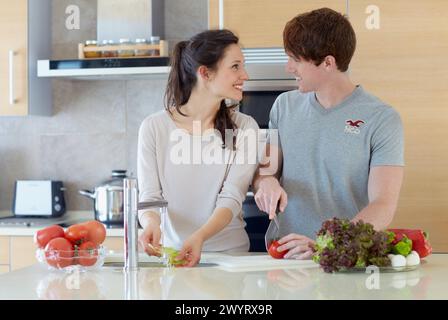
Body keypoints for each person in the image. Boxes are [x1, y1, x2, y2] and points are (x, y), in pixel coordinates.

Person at [252, 8, 404, 259]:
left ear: (328, 63)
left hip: (343, 259)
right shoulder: (284, 106)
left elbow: (382, 205)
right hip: (286, 255)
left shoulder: (382, 118)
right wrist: (266, 181)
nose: (289, 67)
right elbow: (267, 170)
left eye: (296, 59)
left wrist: (327, 245)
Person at [137, 29, 259, 267]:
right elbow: (150, 196)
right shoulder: (154, 127)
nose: (245, 75)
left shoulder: (245, 127)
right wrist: (151, 223)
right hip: (174, 257)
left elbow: (232, 197)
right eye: (235, 66)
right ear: (205, 73)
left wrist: (200, 236)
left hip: (230, 259)